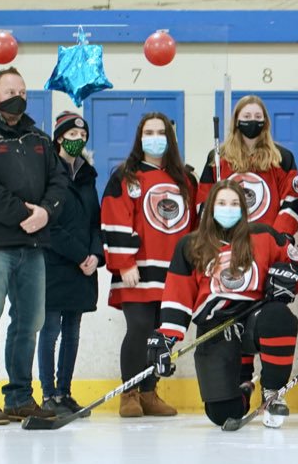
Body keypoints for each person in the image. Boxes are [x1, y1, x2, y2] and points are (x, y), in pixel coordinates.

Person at [148, 181, 298, 428]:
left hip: (256, 318)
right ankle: (244, 386)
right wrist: (166, 337)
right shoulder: (190, 245)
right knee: (222, 414)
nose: (227, 208)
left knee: (280, 317)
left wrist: (289, 279)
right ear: (210, 208)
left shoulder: (264, 235)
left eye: (234, 203)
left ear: (243, 208)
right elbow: (178, 296)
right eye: (221, 203)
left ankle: (273, 392)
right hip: (216, 327)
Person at [0, 67, 69, 424]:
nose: (16, 95)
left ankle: (20, 396)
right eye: (8, 90)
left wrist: (46, 213)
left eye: (21, 89)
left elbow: (59, 181)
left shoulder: (38, 136)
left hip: (33, 246)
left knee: (29, 323)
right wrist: (24, 214)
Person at [101, 112, 195, 418]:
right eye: (148, 131)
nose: (154, 137)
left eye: (160, 131)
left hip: (173, 272)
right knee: (139, 328)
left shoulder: (184, 179)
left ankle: (148, 392)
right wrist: (124, 263)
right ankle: (129, 392)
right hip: (138, 271)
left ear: (170, 138)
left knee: (161, 332)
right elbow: (114, 217)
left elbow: (193, 224)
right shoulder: (125, 176)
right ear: (140, 138)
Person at [38, 112, 102, 417]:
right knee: (50, 330)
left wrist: (94, 255)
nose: (78, 141)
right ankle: (48, 394)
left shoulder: (88, 175)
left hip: (84, 267)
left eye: (82, 136)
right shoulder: (47, 173)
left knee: (72, 330)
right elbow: (48, 223)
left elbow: (95, 223)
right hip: (55, 263)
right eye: (72, 136)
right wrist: (80, 256)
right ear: (60, 138)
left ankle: (65, 392)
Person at [199, 95, 298, 237]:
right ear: (236, 121)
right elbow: (204, 200)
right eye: (246, 116)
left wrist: (276, 238)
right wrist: (212, 235)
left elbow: (292, 201)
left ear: (265, 122)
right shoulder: (218, 157)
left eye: (258, 116)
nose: (252, 120)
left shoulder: (281, 158)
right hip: (226, 240)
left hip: (267, 241)